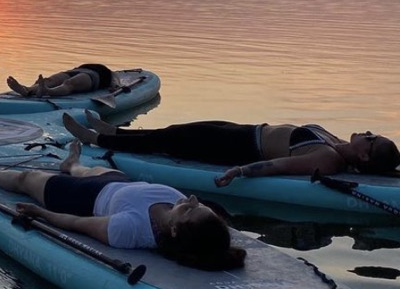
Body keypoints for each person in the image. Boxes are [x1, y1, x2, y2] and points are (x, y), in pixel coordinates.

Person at [0, 142, 245, 271]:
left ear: (174, 230)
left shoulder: (129, 229)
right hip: (119, 184)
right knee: (88, 169)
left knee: (27, 178)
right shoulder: (175, 207)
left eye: (192, 209)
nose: (193, 200)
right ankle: (72, 164)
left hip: (85, 198)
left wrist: (41, 213)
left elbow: (76, 224)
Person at [62, 110, 400, 185]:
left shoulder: (327, 159)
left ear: (365, 155)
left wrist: (238, 172)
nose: (367, 132)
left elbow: (278, 167)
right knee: (174, 129)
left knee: (167, 142)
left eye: (371, 139)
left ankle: (97, 140)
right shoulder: (336, 143)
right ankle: (113, 130)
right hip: (243, 131)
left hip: (235, 149)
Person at [7, 63, 116, 98]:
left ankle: (46, 91)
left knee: (68, 84)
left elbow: (116, 82)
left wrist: (115, 87)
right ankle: (28, 90)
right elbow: (116, 82)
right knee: (49, 80)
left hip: (92, 76)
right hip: (77, 72)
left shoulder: (110, 74)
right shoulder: (111, 73)